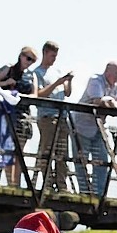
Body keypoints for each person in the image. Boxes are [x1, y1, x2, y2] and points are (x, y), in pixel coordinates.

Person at [0, 46, 37, 185]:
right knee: (8, 151)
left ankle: (17, 183)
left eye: (33, 60)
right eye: (28, 58)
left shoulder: (32, 75)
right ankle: (11, 183)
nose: (29, 62)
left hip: (23, 116)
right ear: (21, 56)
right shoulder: (9, 68)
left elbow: (34, 95)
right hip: (6, 115)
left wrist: (21, 96)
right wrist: (5, 83)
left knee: (19, 152)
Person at [72, 62, 117, 196]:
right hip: (82, 126)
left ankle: (99, 193)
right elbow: (98, 101)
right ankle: (84, 192)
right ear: (108, 72)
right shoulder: (95, 80)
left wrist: (112, 103)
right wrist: (110, 103)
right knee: (81, 161)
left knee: (103, 159)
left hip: (100, 127)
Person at [32, 42, 75, 190]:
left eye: (56, 56)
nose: (54, 59)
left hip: (62, 117)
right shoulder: (36, 73)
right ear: (45, 53)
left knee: (62, 153)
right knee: (47, 152)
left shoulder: (57, 70)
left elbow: (67, 93)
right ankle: (48, 184)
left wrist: (68, 82)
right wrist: (57, 83)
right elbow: (39, 95)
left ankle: (62, 185)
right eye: (52, 56)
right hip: (47, 117)